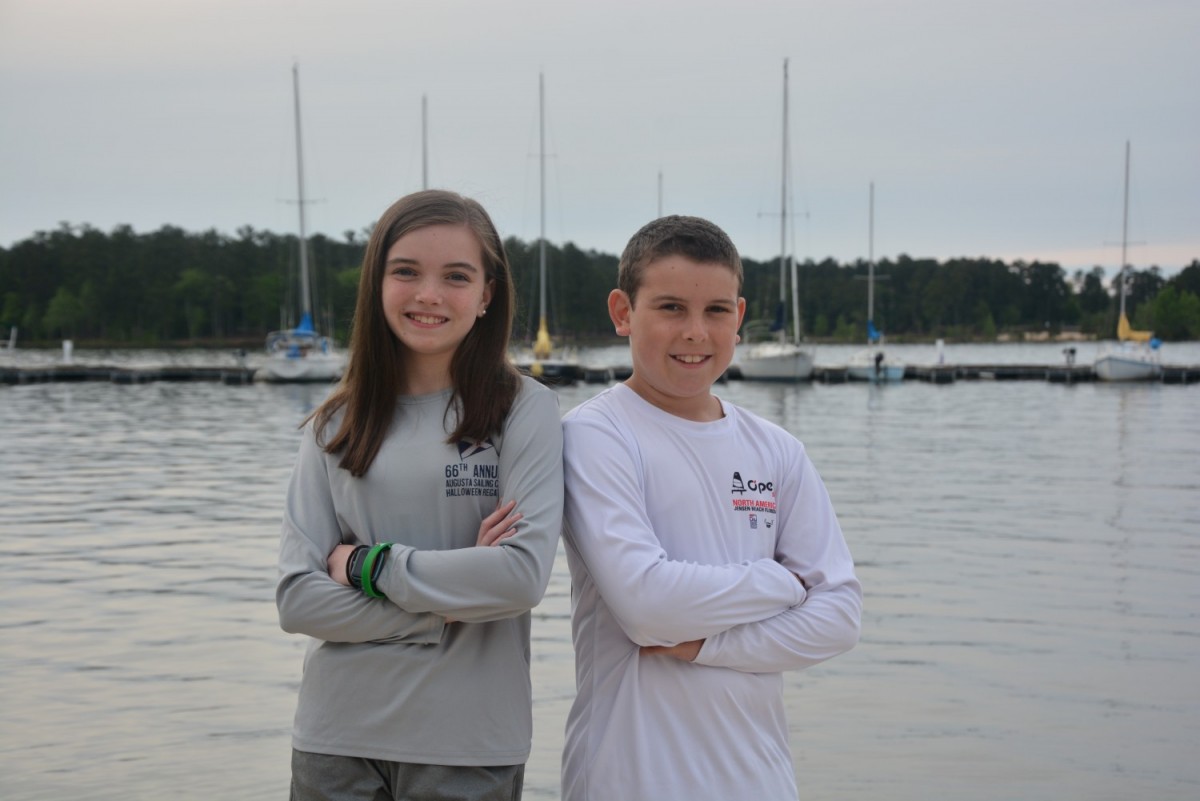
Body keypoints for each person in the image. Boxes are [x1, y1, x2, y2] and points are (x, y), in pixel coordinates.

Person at [559, 215, 862, 801]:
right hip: (629, 778)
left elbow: (841, 617)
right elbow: (646, 606)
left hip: (761, 778)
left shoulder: (778, 450)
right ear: (623, 311)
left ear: (740, 319)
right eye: (671, 308)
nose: (696, 332)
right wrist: (779, 582)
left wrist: (710, 646)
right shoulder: (596, 435)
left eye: (716, 311)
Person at [276, 189, 564, 801]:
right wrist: (450, 605)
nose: (428, 294)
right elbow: (298, 601)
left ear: (487, 294)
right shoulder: (335, 424)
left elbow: (518, 580)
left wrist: (364, 565)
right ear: (377, 284)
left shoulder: (526, 412)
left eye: (456, 277)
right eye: (405, 271)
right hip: (334, 739)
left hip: (469, 743)